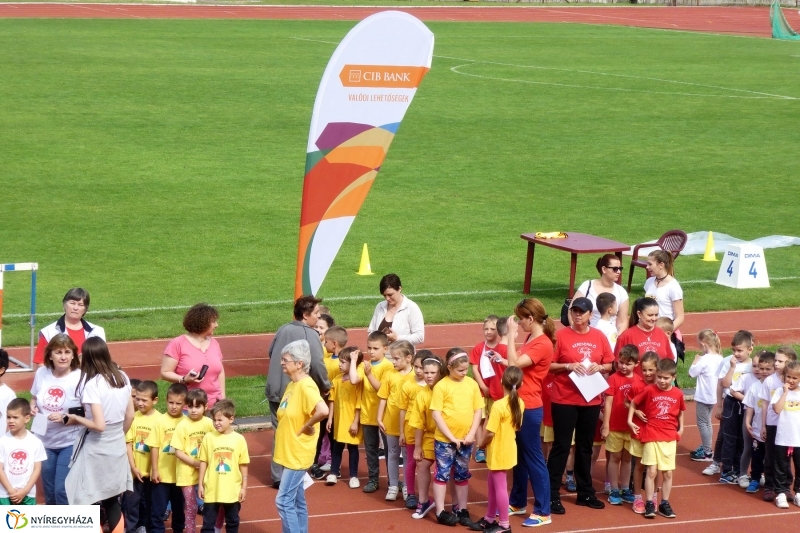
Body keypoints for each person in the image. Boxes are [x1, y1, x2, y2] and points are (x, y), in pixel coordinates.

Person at [547, 297, 614, 514]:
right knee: (562, 446)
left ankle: (585, 492)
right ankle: (552, 494)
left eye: (582, 312)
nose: (577, 315)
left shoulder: (599, 336)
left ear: (589, 315)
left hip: (591, 398)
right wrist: (568, 365)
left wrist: (600, 367)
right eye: (574, 311)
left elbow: (610, 363)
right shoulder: (561, 336)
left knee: (585, 447)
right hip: (564, 398)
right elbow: (549, 364)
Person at [65, 337, 135, 533]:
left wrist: (76, 419)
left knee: (87, 498)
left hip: (96, 447)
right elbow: (130, 415)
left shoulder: (93, 384)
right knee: (113, 500)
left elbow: (99, 425)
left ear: (87, 358)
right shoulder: (122, 376)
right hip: (117, 444)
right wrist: (119, 435)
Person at [265, 296, 330, 489]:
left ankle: (278, 475)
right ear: (305, 315)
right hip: (293, 391)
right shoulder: (310, 335)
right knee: (299, 431)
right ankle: (295, 472)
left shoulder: (283, 328)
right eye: (316, 313)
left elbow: (271, 352)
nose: (318, 317)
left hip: (274, 387)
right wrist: (325, 385)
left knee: (279, 431)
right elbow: (318, 363)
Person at [506, 299, 554, 527]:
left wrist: (510, 337)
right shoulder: (532, 338)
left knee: (533, 457)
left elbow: (513, 365)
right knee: (520, 457)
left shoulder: (542, 343)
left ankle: (544, 510)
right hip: (520, 404)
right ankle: (517, 502)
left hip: (530, 406)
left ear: (531, 319)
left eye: (521, 318)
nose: (519, 322)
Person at [273, 340, 328, 533]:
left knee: (283, 500)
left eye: (285, 359)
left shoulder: (306, 386)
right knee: (297, 499)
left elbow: (323, 409)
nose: (281, 363)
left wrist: (307, 425)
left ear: (299, 364)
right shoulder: (292, 385)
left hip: (297, 453)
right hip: (288, 451)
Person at [428, 348, 482, 527]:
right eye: (460, 370)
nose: (464, 373)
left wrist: (472, 433)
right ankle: (441, 511)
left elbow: (477, 410)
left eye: (466, 369)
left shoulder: (471, 385)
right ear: (450, 367)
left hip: (466, 440)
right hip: (445, 441)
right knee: (442, 474)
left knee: (462, 474)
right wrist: (451, 437)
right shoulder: (441, 386)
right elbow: (436, 414)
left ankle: (462, 508)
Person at [628, 358, 685, 520]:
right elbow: (633, 402)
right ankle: (649, 503)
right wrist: (630, 421)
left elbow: (681, 410)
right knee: (651, 471)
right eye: (659, 377)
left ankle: (664, 503)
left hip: (669, 437)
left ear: (673, 377)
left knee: (667, 473)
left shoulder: (678, 393)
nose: (662, 381)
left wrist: (681, 428)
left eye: (666, 378)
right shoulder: (649, 390)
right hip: (651, 435)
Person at [469, 367, 523, 533]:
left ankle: (505, 524)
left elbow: (490, 432)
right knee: (492, 485)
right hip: (508, 448)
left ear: (501, 382)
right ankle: (490, 517)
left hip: (498, 450)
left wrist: (481, 444)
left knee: (499, 487)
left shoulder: (499, 406)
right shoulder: (520, 402)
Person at [28, 335, 80, 505]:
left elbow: (88, 412)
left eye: (67, 352)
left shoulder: (80, 377)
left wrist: (65, 418)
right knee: (49, 492)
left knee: (61, 490)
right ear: (50, 355)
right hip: (44, 442)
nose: (63, 356)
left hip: (69, 442)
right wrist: (33, 406)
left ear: (73, 355)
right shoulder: (42, 373)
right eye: (58, 352)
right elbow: (34, 397)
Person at [350, 331, 394, 494]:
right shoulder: (365, 365)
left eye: (375, 348)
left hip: (384, 416)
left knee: (390, 450)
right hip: (367, 414)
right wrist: (354, 362)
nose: (371, 351)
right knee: (370, 449)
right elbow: (354, 380)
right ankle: (373, 478)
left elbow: (382, 390)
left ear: (385, 349)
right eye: (369, 348)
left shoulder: (388, 367)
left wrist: (369, 375)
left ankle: (393, 481)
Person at [198, 399, 249, 533]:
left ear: (231, 419)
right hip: (212, 489)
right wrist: (200, 484)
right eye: (214, 420)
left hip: (232, 490)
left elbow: (243, 464)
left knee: (233, 521)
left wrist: (244, 487)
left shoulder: (239, 439)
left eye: (220, 420)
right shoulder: (209, 437)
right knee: (208, 524)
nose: (216, 423)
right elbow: (204, 461)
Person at [161, 304, 226, 409]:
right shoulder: (178, 343)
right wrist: (184, 379)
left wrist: (222, 398)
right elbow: (165, 373)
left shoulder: (214, 343)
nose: (217, 325)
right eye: (213, 322)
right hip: (189, 407)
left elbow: (220, 371)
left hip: (214, 406)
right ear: (203, 323)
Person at [602, 344, 641, 506]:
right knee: (614, 457)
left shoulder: (638, 380)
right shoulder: (613, 379)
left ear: (636, 364)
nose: (624, 366)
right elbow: (608, 403)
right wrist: (605, 425)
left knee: (627, 458)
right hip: (615, 426)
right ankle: (614, 489)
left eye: (628, 363)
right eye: (621, 362)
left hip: (630, 427)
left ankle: (625, 488)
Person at [147, 382, 188, 533]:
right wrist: (155, 470)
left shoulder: (187, 422)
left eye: (178, 403)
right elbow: (155, 446)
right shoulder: (160, 421)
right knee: (157, 512)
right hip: (162, 476)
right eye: (171, 402)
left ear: (185, 404)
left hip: (181, 476)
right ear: (166, 401)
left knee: (178, 511)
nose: (174, 406)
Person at [171, 389, 214, 533]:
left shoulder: (209, 424)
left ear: (205, 407)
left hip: (207, 473)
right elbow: (178, 452)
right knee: (191, 507)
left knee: (210, 505)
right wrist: (196, 463)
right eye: (190, 407)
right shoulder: (182, 425)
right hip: (187, 474)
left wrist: (205, 465)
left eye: (197, 406)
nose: (193, 410)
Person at [408, 355, 445, 521]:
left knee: (449, 469)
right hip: (430, 435)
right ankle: (423, 501)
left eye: (433, 372)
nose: (429, 376)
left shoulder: (446, 389)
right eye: (426, 372)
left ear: (440, 373)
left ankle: (456, 505)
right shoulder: (422, 395)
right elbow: (418, 423)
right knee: (422, 464)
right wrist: (417, 446)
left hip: (447, 436)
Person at [377, 340, 415, 501]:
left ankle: (407, 486)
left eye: (396, 358)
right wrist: (379, 417)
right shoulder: (389, 374)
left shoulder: (415, 376)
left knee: (407, 456)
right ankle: (393, 485)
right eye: (392, 358)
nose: (393, 362)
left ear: (408, 358)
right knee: (392, 454)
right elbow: (383, 397)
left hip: (408, 425)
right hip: (390, 422)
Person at [759, 346, 798, 502]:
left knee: (786, 458)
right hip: (773, 423)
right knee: (771, 456)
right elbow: (765, 404)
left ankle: (785, 487)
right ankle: (769, 486)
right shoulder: (770, 380)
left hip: (789, 425)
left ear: (790, 363)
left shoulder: (795, 380)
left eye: (780, 361)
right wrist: (763, 425)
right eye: (775, 360)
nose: (776, 363)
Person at [33, 287, 106, 366]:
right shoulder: (49, 332)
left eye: (80, 305)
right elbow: (41, 363)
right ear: (64, 305)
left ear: (85, 309)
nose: (75, 308)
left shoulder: (97, 331)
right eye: (72, 303)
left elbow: (103, 359)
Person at [469, 316, 507, 464]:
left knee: (494, 419)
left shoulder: (502, 348)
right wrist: (483, 386)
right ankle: (479, 447)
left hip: (497, 392)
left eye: (492, 329)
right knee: (480, 419)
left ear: (498, 331)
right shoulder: (479, 348)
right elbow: (475, 369)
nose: (489, 332)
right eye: (486, 329)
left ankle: (491, 445)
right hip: (481, 391)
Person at [717, 331, 754, 484]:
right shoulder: (729, 363)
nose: (736, 354)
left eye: (740, 350)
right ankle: (726, 470)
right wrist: (732, 368)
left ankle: (739, 469)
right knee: (729, 437)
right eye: (734, 350)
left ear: (750, 349)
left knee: (742, 438)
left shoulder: (754, 365)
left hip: (747, 405)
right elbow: (724, 384)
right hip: (731, 403)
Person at [125, 380, 160, 533]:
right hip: (135, 471)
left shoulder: (160, 420)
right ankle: (131, 529)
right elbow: (128, 444)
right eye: (137, 399)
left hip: (152, 472)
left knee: (151, 503)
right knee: (132, 503)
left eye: (144, 400)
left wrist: (155, 469)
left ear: (155, 400)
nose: (139, 403)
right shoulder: (133, 417)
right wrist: (133, 467)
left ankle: (145, 526)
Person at [325, 346, 363, 488]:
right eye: (339, 361)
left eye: (343, 362)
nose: (339, 365)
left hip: (351, 421)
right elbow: (332, 400)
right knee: (336, 448)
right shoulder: (337, 380)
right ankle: (334, 472)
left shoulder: (357, 381)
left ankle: (353, 475)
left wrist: (355, 422)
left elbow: (359, 403)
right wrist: (330, 418)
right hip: (339, 422)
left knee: (353, 449)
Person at [626, 351, 659, 514]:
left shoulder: (662, 386)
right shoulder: (636, 386)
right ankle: (637, 496)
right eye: (644, 370)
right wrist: (636, 413)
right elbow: (628, 402)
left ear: (657, 369)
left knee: (655, 467)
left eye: (651, 370)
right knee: (638, 465)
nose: (647, 373)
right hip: (640, 431)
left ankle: (653, 497)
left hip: (657, 433)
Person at [398, 350, 430, 510]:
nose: (418, 371)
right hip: (411, 429)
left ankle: (426, 494)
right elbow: (402, 409)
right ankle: (410, 493)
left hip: (430, 431)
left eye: (421, 368)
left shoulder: (434, 386)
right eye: (416, 367)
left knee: (430, 463)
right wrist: (402, 432)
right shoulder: (408, 384)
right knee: (411, 462)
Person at [0, 398, 46, 505]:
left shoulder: (35, 442)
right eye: (8, 417)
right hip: (5, 494)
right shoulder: (2, 442)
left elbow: (37, 469)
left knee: (26, 521)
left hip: (28, 494)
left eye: (15, 417)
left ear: (27, 418)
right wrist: (11, 490)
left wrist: (25, 490)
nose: (11, 421)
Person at [688, 330, 724, 463]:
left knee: (702, 423)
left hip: (703, 396)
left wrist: (695, 360)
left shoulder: (703, 360)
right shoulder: (720, 358)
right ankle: (706, 446)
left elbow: (691, 373)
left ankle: (707, 451)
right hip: (714, 396)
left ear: (704, 345)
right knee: (707, 422)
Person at [769, 360, 800, 509]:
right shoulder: (779, 392)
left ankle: (798, 493)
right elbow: (777, 409)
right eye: (789, 377)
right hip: (783, 437)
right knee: (781, 466)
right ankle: (781, 493)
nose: (791, 380)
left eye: (795, 378)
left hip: (798, 438)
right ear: (784, 377)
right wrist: (785, 393)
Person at [571, 254, 630, 334]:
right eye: (615, 269)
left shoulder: (621, 292)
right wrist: (579, 333)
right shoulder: (587, 286)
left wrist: (616, 337)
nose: (619, 272)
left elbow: (622, 321)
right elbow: (571, 311)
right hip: (587, 335)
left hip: (610, 339)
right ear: (604, 269)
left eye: (620, 268)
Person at [614, 298, 672, 377]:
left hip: (658, 386)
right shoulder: (626, 336)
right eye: (650, 315)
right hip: (635, 386)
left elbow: (669, 361)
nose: (654, 319)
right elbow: (618, 365)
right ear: (639, 314)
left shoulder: (661, 333)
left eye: (656, 315)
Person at [743, 351, 774, 494]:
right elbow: (750, 406)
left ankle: (771, 481)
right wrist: (748, 421)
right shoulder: (754, 387)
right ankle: (755, 478)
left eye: (768, 369)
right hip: (757, 429)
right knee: (757, 456)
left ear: (774, 369)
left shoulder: (776, 387)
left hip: (773, 430)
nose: (764, 372)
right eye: (761, 368)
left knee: (772, 457)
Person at [367, 273, 424, 345]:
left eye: (390, 295)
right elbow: (371, 331)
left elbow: (419, 337)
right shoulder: (380, 306)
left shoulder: (411, 308)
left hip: (402, 355)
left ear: (399, 289)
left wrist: (397, 338)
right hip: (381, 355)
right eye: (384, 295)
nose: (387, 298)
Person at [643, 250, 684, 338]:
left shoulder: (673, 287)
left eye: (650, 264)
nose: (647, 267)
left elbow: (680, 318)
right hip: (650, 330)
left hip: (667, 334)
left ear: (661, 265)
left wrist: (665, 334)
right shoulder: (649, 282)